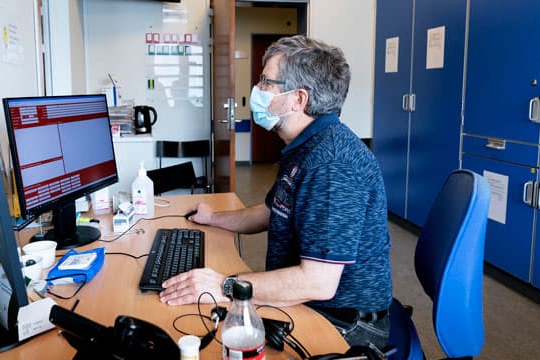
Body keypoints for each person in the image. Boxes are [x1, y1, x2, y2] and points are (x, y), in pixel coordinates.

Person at [159, 35, 392, 349]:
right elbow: (272, 211)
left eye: (266, 82)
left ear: (298, 99)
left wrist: (225, 286)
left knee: (204, 331)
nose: (257, 90)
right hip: (313, 303)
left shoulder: (331, 163)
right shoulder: (305, 145)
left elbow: (318, 282)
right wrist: (214, 218)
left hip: (345, 323)